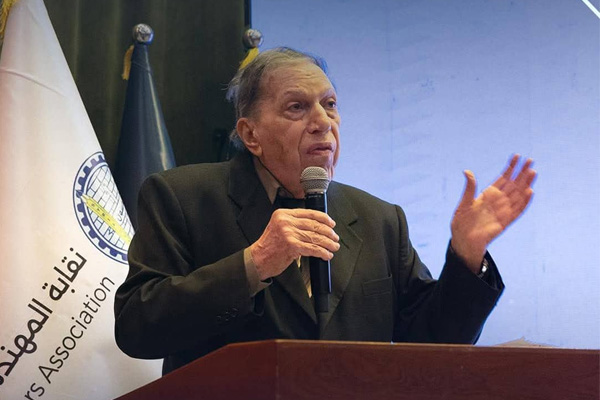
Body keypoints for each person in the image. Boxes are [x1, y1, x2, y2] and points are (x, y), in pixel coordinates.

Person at [114, 47, 536, 375]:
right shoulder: (183, 197)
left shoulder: (379, 219)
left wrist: (466, 255)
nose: (322, 122)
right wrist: (254, 264)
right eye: (297, 107)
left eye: (330, 104)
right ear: (250, 134)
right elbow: (137, 327)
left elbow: (434, 341)